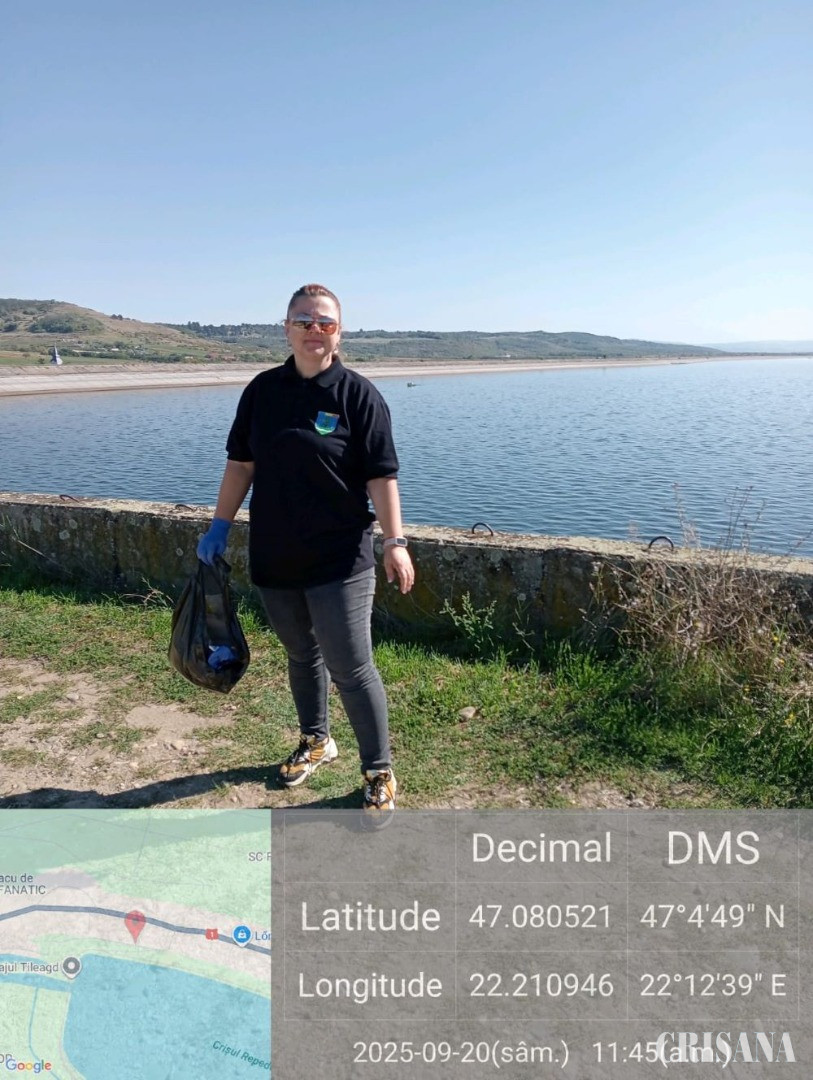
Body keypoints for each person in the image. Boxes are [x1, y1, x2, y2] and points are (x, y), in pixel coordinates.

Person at [197, 283, 414, 814]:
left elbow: (381, 476)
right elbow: (241, 465)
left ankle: (379, 769)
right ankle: (317, 741)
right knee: (301, 654)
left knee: (352, 668)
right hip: (275, 554)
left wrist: (395, 541)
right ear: (287, 328)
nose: (315, 330)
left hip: (341, 558)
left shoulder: (358, 395)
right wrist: (219, 525)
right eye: (304, 321)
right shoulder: (262, 391)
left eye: (325, 323)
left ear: (339, 333)